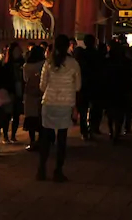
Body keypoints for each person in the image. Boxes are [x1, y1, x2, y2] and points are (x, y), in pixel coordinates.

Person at [38, 34, 81, 181]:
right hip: (65, 103)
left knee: (45, 137)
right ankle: (58, 170)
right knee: (62, 138)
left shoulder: (48, 63)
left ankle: (41, 169)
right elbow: (78, 85)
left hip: (49, 102)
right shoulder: (73, 63)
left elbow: (42, 86)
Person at [104, 43, 132, 144]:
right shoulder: (127, 62)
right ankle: (117, 132)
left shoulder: (107, 61)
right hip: (123, 89)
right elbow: (130, 76)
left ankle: (111, 131)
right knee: (120, 113)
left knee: (110, 112)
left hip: (110, 89)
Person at [74, 34, 104, 140]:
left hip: (84, 84)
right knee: (94, 108)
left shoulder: (82, 55)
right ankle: (92, 128)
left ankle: (84, 131)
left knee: (83, 110)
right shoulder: (98, 55)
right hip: (95, 85)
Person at [23, 45, 46, 151]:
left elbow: (25, 79)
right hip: (40, 93)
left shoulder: (26, 66)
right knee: (40, 118)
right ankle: (41, 140)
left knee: (30, 118)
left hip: (29, 94)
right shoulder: (43, 65)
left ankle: (32, 141)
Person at [4, 42, 25, 144]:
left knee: (16, 114)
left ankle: (13, 135)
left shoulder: (23, 63)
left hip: (19, 91)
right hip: (10, 91)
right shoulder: (8, 65)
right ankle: (5, 136)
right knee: (7, 115)